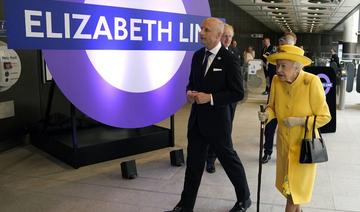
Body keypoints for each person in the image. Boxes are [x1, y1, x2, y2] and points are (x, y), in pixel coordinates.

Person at [166, 17, 251, 212]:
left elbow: (238, 92)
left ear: (219, 36)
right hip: (196, 121)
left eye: (206, 29)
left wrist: (211, 98)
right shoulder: (197, 56)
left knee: (229, 162)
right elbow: (192, 83)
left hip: (218, 123)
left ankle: (244, 198)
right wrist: (189, 92)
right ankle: (185, 206)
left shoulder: (229, 59)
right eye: (201, 28)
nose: (201, 32)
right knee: (193, 165)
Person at [258, 45, 331, 212]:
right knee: (290, 192)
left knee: (293, 194)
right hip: (284, 145)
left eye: (283, 66)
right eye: (277, 65)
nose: (278, 70)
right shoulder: (277, 81)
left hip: (303, 148)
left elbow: (325, 116)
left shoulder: (311, 82)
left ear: (297, 66)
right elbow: (272, 107)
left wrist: (300, 121)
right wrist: (267, 115)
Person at [206, 23, 238, 174]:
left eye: (230, 37)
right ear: (219, 36)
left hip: (229, 102)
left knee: (225, 131)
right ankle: (211, 159)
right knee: (214, 131)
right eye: (225, 36)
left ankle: (221, 156)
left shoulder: (233, 54)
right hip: (213, 101)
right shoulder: (210, 54)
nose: (227, 39)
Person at [262, 33, 297, 164]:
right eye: (282, 46)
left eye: (287, 45)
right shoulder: (276, 59)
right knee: (269, 127)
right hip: (275, 99)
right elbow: (273, 75)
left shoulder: (298, 62)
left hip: (292, 104)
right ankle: (267, 152)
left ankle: (287, 154)